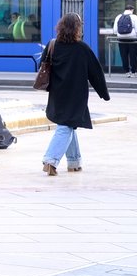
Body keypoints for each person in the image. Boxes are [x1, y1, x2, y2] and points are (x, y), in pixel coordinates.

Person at [41, 13, 110, 176]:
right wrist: (104, 93)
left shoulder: (52, 45)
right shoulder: (82, 49)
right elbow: (96, 73)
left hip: (57, 94)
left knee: (69, 123)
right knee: (66, 125)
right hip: (76, 95)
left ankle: (74, 161)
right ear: (77, 28)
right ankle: (50, 160)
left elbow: (42, 64)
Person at [113, 5, 136, 76]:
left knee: (124, 55)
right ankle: (134, 72)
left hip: (121, 39)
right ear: (132, 10)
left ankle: (127, 72)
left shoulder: (118, 17)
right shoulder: (134, 17)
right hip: (133, 39)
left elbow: (115, 30)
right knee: (133, 55)